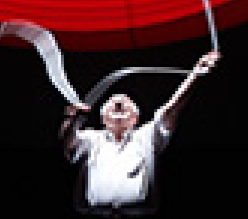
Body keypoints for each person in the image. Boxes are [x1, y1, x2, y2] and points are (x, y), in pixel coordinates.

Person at [60, 52, 219, 216]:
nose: (119, 102)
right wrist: (72, 121)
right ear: (102, 118)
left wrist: (196, 74)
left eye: (126, 102)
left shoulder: (146, 136)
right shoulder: (91, 139)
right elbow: (68, 143)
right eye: (112, 103)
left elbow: (170, 110)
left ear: (135, 118)